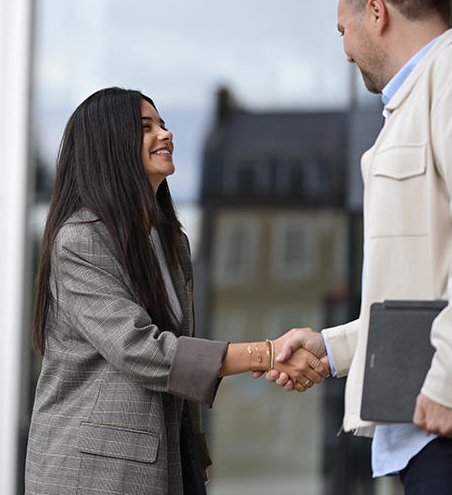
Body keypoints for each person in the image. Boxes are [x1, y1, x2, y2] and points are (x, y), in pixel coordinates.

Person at [269, 0, 452, 494]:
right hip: (430, 433)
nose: (346, 51)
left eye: (342, 30)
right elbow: (420, 298)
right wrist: (330, 349)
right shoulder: (418, 102)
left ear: (376, 14)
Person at [24, 87, 329, 495]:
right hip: (91, 472)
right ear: (110, 145)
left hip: (161, 463)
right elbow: (143, 351)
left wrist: (191, 454)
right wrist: (267, 353)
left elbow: (177, 356)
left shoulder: (170, 241)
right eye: (146, 127)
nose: (165, 134)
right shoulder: (81, 240)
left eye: (163, 125)